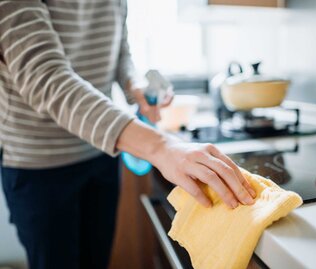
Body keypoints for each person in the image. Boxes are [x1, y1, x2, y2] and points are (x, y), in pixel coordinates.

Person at [0, 1, 256, 268]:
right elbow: (46, 78)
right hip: (39, 165)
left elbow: (120, 53)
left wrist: (135, 85)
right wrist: (162, 147)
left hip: (100, 154)